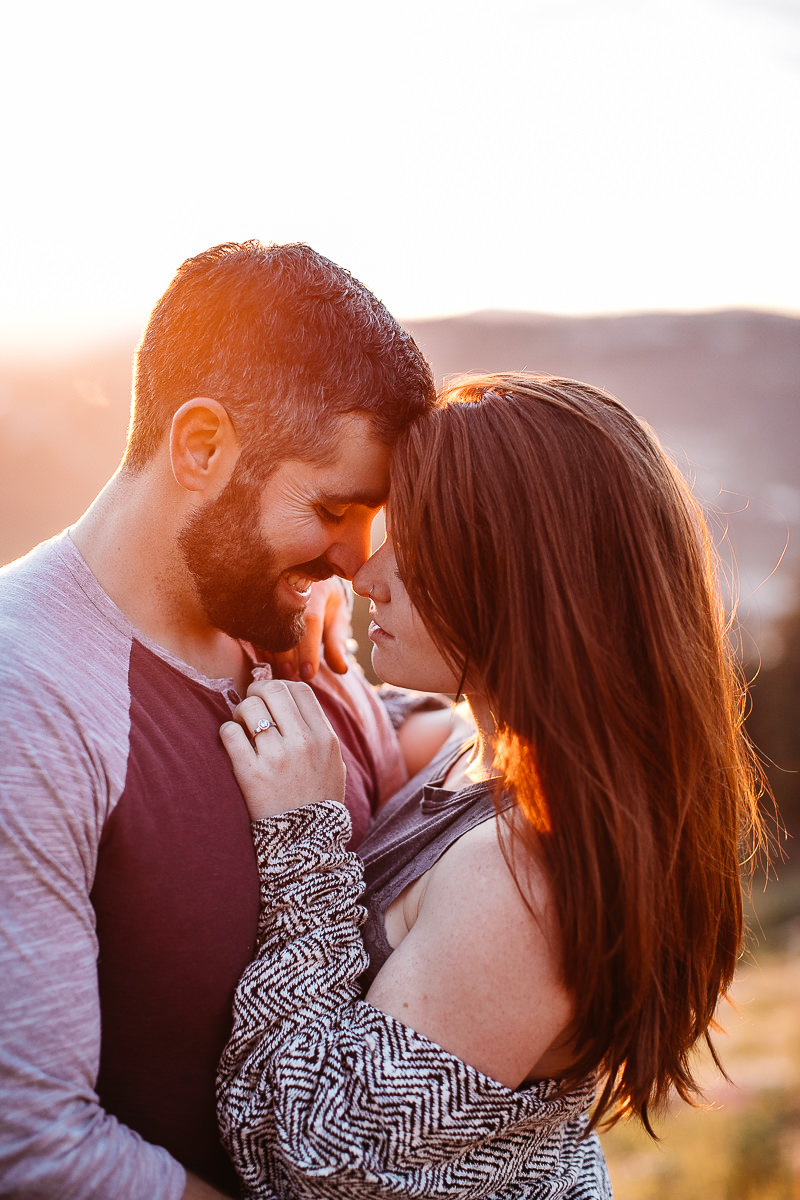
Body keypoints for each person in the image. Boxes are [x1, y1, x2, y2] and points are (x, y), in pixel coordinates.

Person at [216, 373, 768, 1198]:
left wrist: (303, 836)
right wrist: (309, 627)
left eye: (416, 540)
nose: (367, 573)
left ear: (518, 572)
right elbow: (406, 725)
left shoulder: (523, 879)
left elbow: (307, 1160)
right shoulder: (506, 753)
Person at [0, 241, 440, 1199]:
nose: (360, 565)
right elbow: (33, 1146)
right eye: (333, 507)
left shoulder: (280, 627)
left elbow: (424, 762)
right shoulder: (25, 696)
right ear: (202, 447)